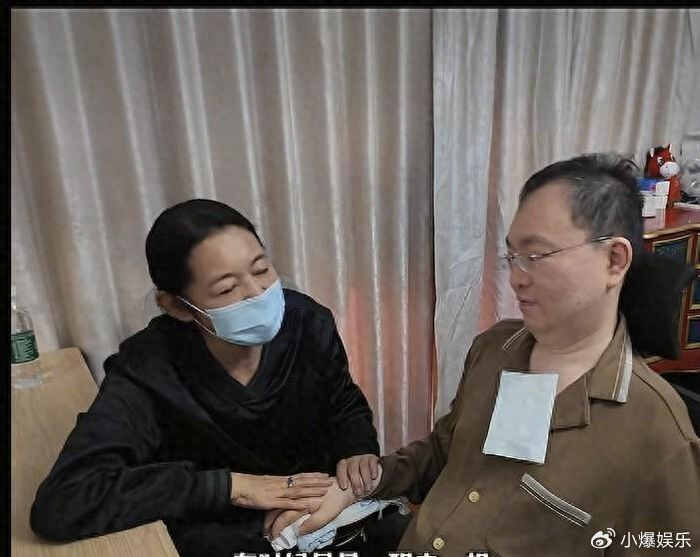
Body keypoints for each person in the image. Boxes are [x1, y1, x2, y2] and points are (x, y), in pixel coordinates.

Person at [289, 154, 700, 556]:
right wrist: (363, 482)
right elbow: (445, 452)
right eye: (512, 257)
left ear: (614, 260)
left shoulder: (656, 434)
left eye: (536, 256)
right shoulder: (495, 349)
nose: (517, 277)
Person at [30, 199, 408, 557]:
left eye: (261, 270)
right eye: (227, 288)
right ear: (176, 305)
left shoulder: (309, 323)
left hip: (318, 514)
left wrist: (357, 450)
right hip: (222, 532)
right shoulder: (149, 369)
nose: (257, 293)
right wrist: (232, 487)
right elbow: (65, 500)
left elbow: (343, 404)